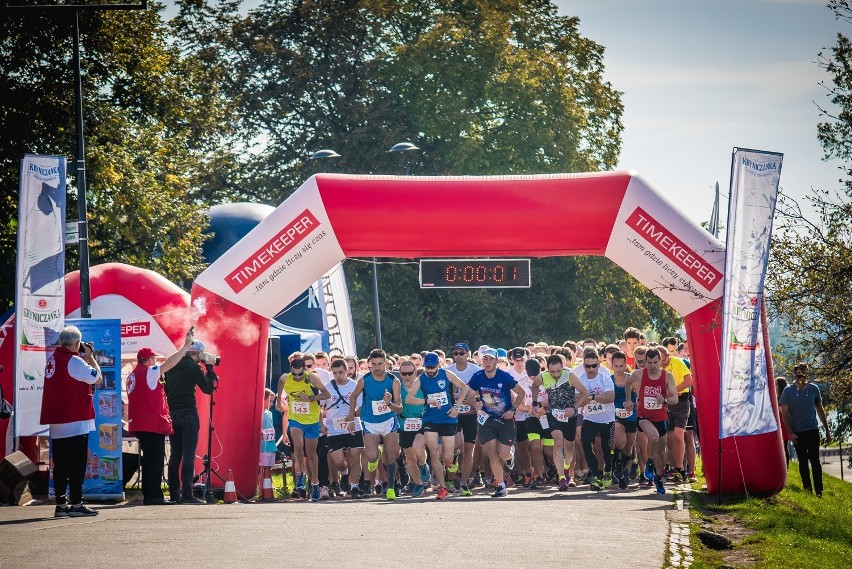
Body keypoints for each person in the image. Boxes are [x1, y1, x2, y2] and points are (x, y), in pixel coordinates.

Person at [40, 325, 102, 517]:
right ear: (76, 343)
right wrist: (90, 357)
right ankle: (76, 504)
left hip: (57, 421)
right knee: (77, 465)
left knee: (60, 466)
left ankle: (61, 504)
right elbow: (97, 378)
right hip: (74, 420)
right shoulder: (74, 361)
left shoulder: (52, 360)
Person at [127, 328, 193, 505]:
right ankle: (155, 496)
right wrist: (186, 346)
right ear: (149, 360)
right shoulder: (148, 372)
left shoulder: (133, 375)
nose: (156, 362)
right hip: (150, 424)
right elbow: (171, 363)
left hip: (139, 424)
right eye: (154, 359)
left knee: (148, 460)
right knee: (155, 460)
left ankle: (150, 494)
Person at [404, 352, 469, 500]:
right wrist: (426, 401)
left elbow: (464, 388)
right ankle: (443, 487)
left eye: (432, 367)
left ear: (438, 365)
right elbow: (408, 399)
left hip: (447, 419)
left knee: (447, 457)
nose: (430, 371)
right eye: (427, 367)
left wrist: (456, 407)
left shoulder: (447, 374)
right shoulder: (421, 379)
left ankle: (452, 461)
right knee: (434, 454)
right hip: (430, 419)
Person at [468, 346, 526, 498]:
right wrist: (476, 402)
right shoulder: (477, 376)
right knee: (492, 454)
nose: (487, 362)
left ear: (496, 361)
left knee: (504, 454)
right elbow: (470, 396)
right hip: (486, 420)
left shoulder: (504, 376)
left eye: (491, 359)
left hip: (505, 419)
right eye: (485, 359)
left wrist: (513, 409)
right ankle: (501, 486)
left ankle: (510, 455)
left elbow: (521, 393)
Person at [164, 339, 217, 504]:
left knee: (175, 455)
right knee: (188, 456)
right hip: (188, 413)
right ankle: (187, 494)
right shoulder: (194, 367)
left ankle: (174, 495)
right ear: (198, 354)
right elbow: (208, 388)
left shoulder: (170, 366)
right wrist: (209, 368)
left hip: (172, 413)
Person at [347, 349, 403, 501]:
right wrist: (351, 419)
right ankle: (374, 460)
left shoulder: (394, 381)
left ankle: (391, 488)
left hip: (389, 422)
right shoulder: (364, 380)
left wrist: (389, 403)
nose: (377, 368)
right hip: (370, 422)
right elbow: (353, 397)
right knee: (372, 456)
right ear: (370, 364)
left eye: (380, 364)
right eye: (374, 364)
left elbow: (399, 407)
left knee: (390, 456)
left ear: (386, 364)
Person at [531, 354, 590, 490]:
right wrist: (535, 404)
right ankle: (562, 478)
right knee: (558, 440)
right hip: (553, 413)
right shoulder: (543, 377)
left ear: (562, 368)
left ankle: (566, 468)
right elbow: (534, 386)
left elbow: (585, 393)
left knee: (569, 446)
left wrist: (574, 408)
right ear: (547, 369)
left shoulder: (569, 375)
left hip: (569, 414)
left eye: (558, 371)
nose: (556, 374)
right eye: (552, 371)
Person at [277, 357, 331, 502]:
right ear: (291, 371)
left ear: (304, 371)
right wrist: (278, 402)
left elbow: (327, 394)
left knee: (312, 454)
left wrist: (311, 398)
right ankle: (301, 474)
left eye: (300, 374)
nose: (297, 377)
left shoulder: (312, 378)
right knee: (298, 446)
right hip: (295, 419)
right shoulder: (285, 378)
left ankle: (315, 484)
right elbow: (280, 384)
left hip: (312, 420)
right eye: (294, 374)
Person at [626, 348, 677, 494]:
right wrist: (629, 401)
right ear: (646, 362)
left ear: (661, 361)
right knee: (653, 437)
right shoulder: (639, 374)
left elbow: (675, 399)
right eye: (650, 363)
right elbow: (628, 383)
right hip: (644, 416)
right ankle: (648, 462)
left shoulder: (667, 376)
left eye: (656, 362)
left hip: (661, 417)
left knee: (661, 451)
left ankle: (658, 478)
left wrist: (665, 399)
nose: (653, 366)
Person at [780, 363, 831, 497]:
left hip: (812, 430)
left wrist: (826, 429)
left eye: (803, 371)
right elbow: (784, 414)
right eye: (798, 372)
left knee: (815, 460)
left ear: (806, 373)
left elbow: (820, 410)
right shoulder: (788, 391)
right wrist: (790, 432)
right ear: (795, 373)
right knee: (803, 460)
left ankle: (819, 491)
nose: (801, 374)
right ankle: (807, 489)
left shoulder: (814, 389)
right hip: (797, 432)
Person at [573, 348, 617, 491]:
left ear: (599, 365)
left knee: (605, 448)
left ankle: (608, 472)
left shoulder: (605, 378)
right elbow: (576, 398)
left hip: (607, 419)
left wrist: (592, 397)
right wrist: (581, 401)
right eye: (587, 366)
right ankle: (596, 475)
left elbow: (610, 397)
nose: (591, 369)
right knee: (585, 443)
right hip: (590, 419)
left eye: (594, 365)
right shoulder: (581, 380)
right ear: (583, 366)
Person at [322, 359, 364, 498]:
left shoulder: (355, 386)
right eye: (335, 373)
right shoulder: (327, 386)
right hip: (334, 428)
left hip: (353, 426)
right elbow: (319, 407)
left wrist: (351, 416)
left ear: (347, 371)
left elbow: (361, 407)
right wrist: (321, 424)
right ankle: (345, 473)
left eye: (341, 372)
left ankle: (355, 488)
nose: (338, 376)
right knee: (338, 461)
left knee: (355, 457)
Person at [444, 342, 481, 496]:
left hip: (471, 414)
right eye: (456, 353)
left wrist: (473, 401)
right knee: (455, 445)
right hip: (454, 414)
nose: (458, 356)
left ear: (468, 354)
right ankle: (451, 477)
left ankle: (464, 483)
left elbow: (482, 392)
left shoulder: (476, 371)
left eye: (462, 353)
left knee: (468, 450)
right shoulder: (447, 371)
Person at [398, 360, 429, 498]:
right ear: (400, 374)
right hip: (404, 423)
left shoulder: (422, 386)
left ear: (415, 373)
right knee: (409, 457)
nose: (407, 376)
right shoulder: (397, 388)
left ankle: (423, 464)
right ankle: (418, 484)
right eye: (404, 373)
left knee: (418, 448)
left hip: (421, 422)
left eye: (410, 373)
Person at [259, 389, 277, 499]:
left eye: (272, 401)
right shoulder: (259, 413)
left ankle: (268, 489)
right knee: (263, 468)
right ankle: (261, 490)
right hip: (263, 447)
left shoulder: (269, 413)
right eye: (269, 401)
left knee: (269, 468)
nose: (271, 404)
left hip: (271, 445)